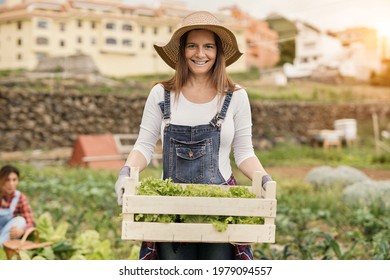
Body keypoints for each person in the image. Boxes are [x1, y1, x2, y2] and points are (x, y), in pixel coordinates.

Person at [115, 10, 272, 260]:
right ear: (182, 51)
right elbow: (144, 146)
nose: (200, 54)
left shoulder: (235, 95)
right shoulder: (161, 94)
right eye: (192, 46)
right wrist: (126, 172)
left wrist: (264, 180)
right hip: (171, 210)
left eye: (208, 46)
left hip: (221, 207)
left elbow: (244, 153)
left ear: (218, 52)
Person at [0, 165, 35, 247]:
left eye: (14, 180)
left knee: (21, 220)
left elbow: (31, 223)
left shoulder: (20, 198)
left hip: (6, 235)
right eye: (7, 180)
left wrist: (22, 231)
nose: (11, 184)